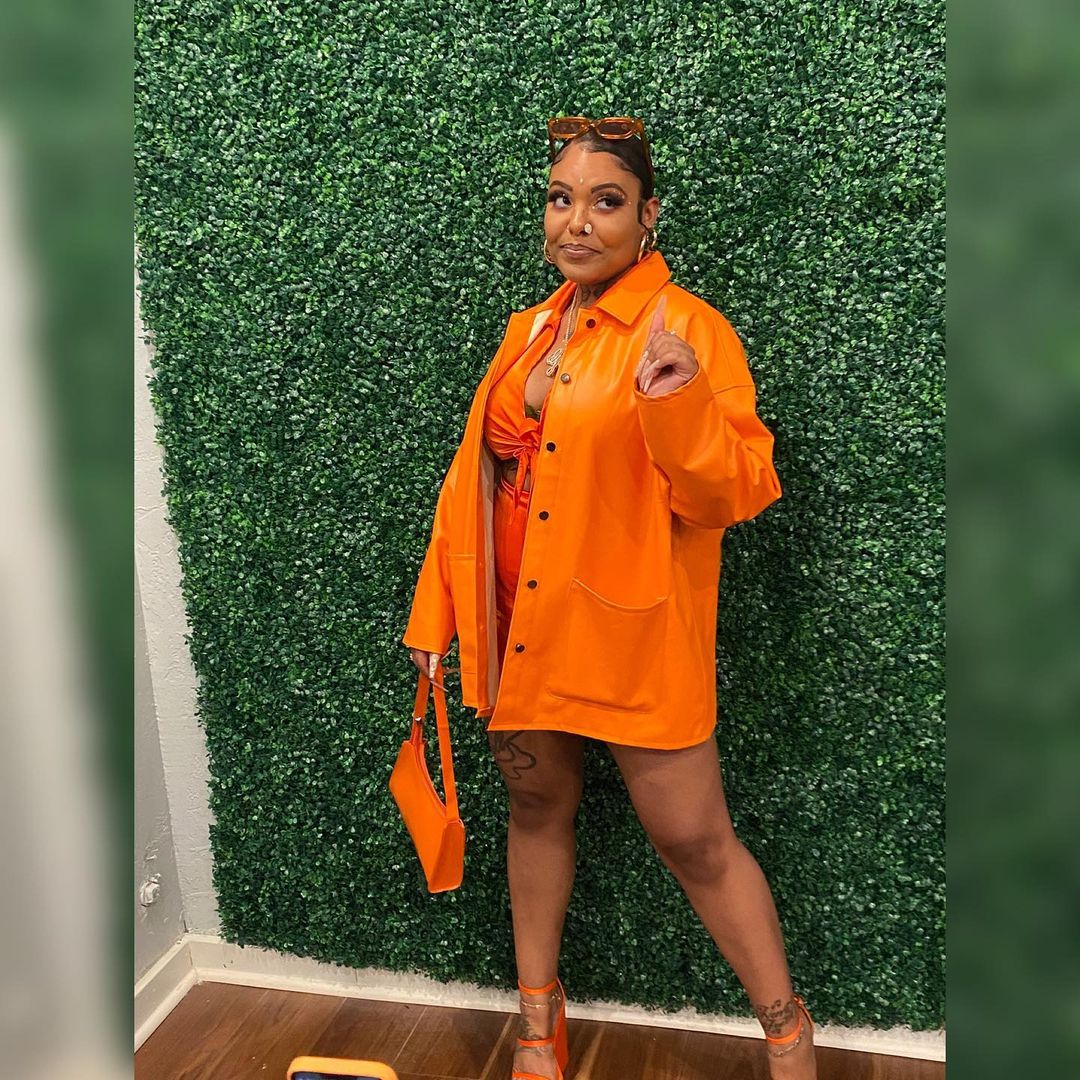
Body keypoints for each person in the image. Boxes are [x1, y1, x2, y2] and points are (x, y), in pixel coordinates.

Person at [402, 116, 817, 1080]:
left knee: (695, 839)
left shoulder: (690, 330)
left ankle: (788, 1033)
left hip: (632, 635)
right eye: (561, 199)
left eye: (606, 201)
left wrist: (677, 401)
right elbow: (469, 483)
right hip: (519, 628)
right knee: (535, 808)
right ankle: (537, 1024)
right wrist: (439, 616)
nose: (577, 221)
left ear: (647, 216)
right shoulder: (527, 331)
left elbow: (736, 492)